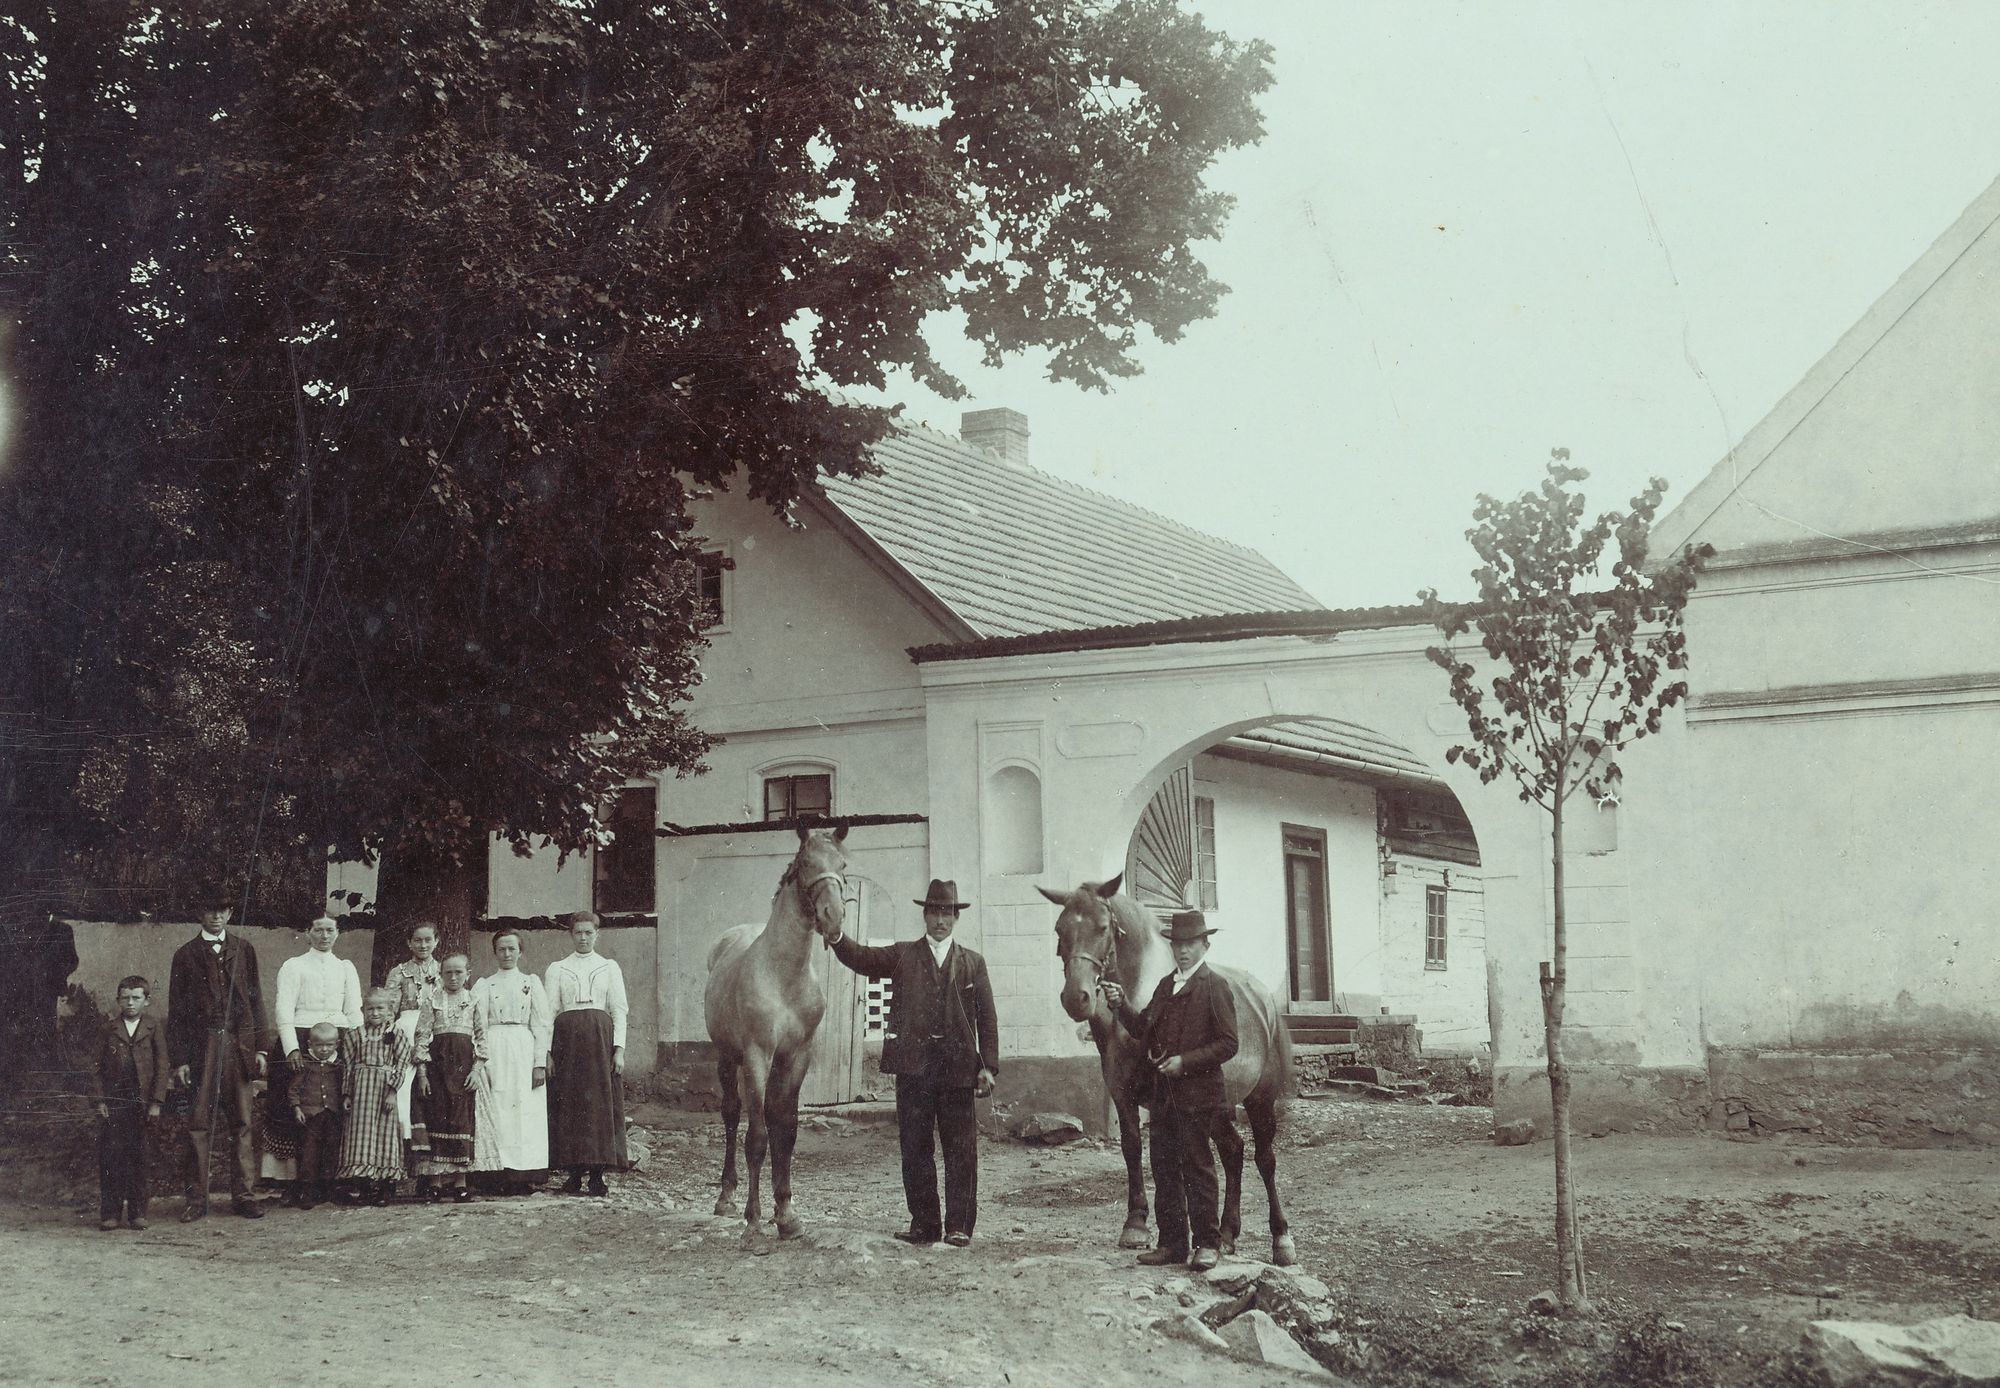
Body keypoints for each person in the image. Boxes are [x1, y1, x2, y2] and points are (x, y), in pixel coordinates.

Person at [826, 879, 998, 1248]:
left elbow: (987, 1018)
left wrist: (988, 1067)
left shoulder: (973, 963)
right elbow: (862, 958)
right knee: (916, 1149)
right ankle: (924, 1224)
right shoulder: (903, 955)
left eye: (947, 913)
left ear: (956, 917)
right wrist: (837, 937)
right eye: (934, 912)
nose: (941, 920)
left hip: (957, 1071)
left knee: (961, 1150)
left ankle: (959, 1226)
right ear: (925, 915)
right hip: (914, 1069)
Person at [1099, 909, 1239, 1273]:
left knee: (1198, 1167)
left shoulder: (1215, 986)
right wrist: (1120, 1005)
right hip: (1163, 1097)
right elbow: (1142, 1028)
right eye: (1177, 945)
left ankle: (1207, 1244)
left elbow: (1228, 1043)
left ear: (1205, 946)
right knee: (1163, 1168)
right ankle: (1173, 1244)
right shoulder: (1165, 986)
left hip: (1198, 1096)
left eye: (1190, 944)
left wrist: (1185, 1062)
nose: (1183, 951)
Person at [165, 892, 268, 1221]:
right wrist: (180, 1059)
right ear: (200, 914)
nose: (216, 916)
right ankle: (197, 1200)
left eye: (222, 910)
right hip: (202, 1046)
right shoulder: (186, 955)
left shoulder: (244, 949)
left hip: (238, 1045)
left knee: (242, 1122)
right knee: (198, 1123)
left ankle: (245, 1197)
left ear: (230, 912)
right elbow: (176, 1012)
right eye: (210, 910)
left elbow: (256, 999)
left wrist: (261, 1047)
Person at [267, 915, 363, 1198]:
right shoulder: (294, 966)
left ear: (338, 933)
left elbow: (353, 1010)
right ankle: (294, 1182)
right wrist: (291, 1048)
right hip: (300, 1037)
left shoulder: (345, 967)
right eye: (318, 930)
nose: (324, 935)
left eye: (329, 930)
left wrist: (358, 1045)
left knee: (335, 1110)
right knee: (295, 1108)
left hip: (339, 1039)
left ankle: (334, 1181)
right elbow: (284, 1009)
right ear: (307, 933)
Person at [544, 911, 628, 1196]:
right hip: (566, 1042)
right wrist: (546, 1052)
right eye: (578, 933)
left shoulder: (608, 967)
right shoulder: (557, 968)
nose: (583, 938)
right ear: (571, 935)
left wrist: (619, 1050)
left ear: (597, 935)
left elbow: (619, 1010)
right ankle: (573, 1174)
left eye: (588, 933)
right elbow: (549, 1012)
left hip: (600, 1042)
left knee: (598, 1105)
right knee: (570, 1103)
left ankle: (597, 1175)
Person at [469, 929, 551, 1194]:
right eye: (501, 949)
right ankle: (495, 1174)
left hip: (524, 1047)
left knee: (525, 1110)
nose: (506, 954)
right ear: (495, 952)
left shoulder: (531, 982)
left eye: (511, 949)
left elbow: (541, 1024)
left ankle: (524, 1174)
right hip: (494, 1048)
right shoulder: (485, 985)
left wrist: (539, 1063)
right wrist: (482, 1061)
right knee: (498, 1108)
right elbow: (478, 1024)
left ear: (520, 952)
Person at [92, 975, 169, 1231]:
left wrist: (156, 1101)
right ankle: (110, 1213)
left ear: (146, 1000)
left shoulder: (153, 1027)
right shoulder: (108, 1029)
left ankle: (138, 1213)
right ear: (118, 1001)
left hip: (142, 1104)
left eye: (136, 998)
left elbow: (162, 1066)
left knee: (140, 1158)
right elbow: (95, 1068)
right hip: (115, 1103)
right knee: (112, 1157)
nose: (130, 1003)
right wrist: (99, 1100)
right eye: (125, 998)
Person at [413, 953, 483, 1203]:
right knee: (437, 1119)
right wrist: (422, 1074)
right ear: (440, 975)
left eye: (458, 972)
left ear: (468, 974)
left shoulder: (474, 1000)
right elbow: (422, 1037)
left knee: (460, 1121)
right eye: (448, 973)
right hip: (438, 1069)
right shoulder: (432, 1000)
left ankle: (460, 1183)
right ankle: (435, 1183)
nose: (453, 977)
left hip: (463, 1070)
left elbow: (481, 1037)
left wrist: (476, 1070)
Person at [337, 988, 411, 1205]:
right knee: (361, 1135)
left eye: (380, 1008)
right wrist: (347, 1094)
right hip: (361, 1094)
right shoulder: (354, 1035)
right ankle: (365, 1186)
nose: (375, 1013)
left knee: (384, 1134)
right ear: (363, 1010)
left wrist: (392, 1092)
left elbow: (401, 1065)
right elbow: (348, 1066)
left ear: (390, 1010)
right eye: (370, 1009)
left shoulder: (396, 1034)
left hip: (384, 1093)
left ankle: (385, 1188)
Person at [383, 921, 444, 1163]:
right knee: (405, 1086)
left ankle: (432, 1149)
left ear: (436, 941)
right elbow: (389, 1009)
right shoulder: (399, 972)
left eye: (428, 940)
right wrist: (393, 1037)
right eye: (417, 940)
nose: (423, 945)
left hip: (437, 1030)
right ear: (409, 943)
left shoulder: (444, 970)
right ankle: (404, 1148)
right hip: (407, 1030)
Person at [289, 1021, 344, 1209]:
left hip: (332, 1115)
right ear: (310, 1044)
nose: (324, 1049)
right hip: (311, 1116)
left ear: (337, 1044)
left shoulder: (338, 1064)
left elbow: (343, 1087)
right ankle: (307, 1191)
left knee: (331, 1151)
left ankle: (328, 1189)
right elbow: (294, 1089)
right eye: (319, 1045)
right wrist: (297, 1108)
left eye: (329, 1045)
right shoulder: (305, 1064)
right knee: (309, 1153)